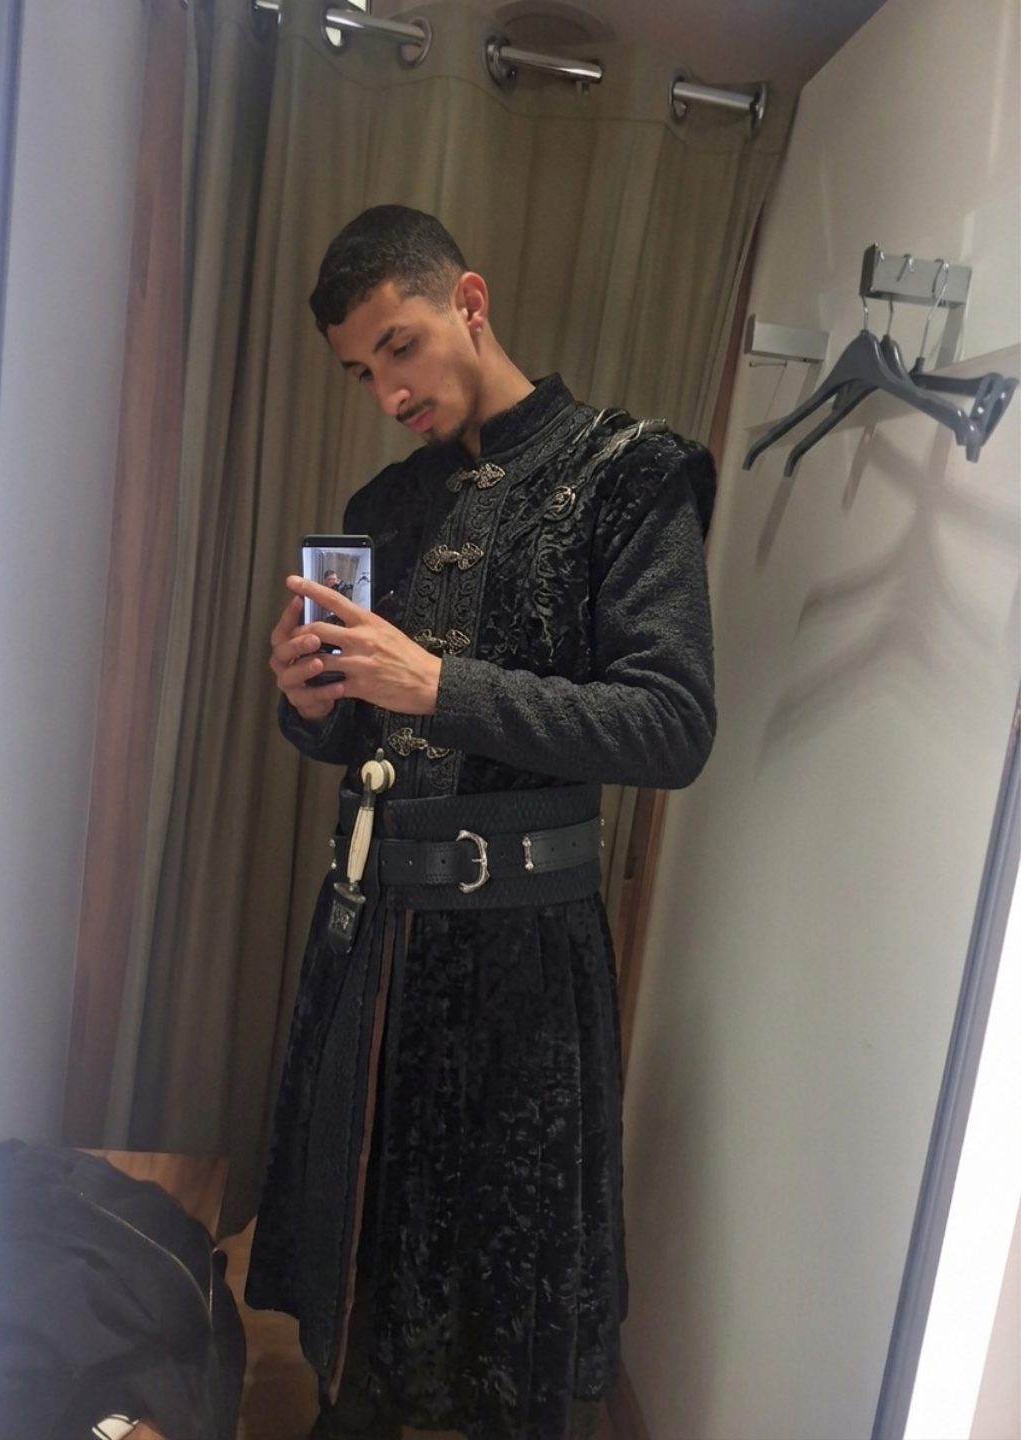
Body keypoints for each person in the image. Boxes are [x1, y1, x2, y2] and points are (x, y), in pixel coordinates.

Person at [245, 205, 717, 1440]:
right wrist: (309, 702)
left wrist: (440, 685)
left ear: (469, 299)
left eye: (399, 346)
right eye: (363, 372)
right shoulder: (384, 504)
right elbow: (353, 731)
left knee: (509, 1307)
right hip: (372, 941)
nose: (389, 391)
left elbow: (671, 726)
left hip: (525, 963)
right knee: (361, 1269)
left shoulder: (630, 474)